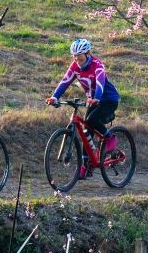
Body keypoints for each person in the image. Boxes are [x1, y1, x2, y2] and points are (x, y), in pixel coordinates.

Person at [46, 38, 121, 175]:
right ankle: (86, 166)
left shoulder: (97, 65)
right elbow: (65, 81)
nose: (77, 62)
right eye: (75, 58)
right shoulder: (75, 67)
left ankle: (110, 137)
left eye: (80, 58)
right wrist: (54, 97)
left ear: (88, 54)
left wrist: (97, 98)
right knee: (87, 131)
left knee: (91, 121)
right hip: (93, 100)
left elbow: (100, 84)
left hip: (108, 99)